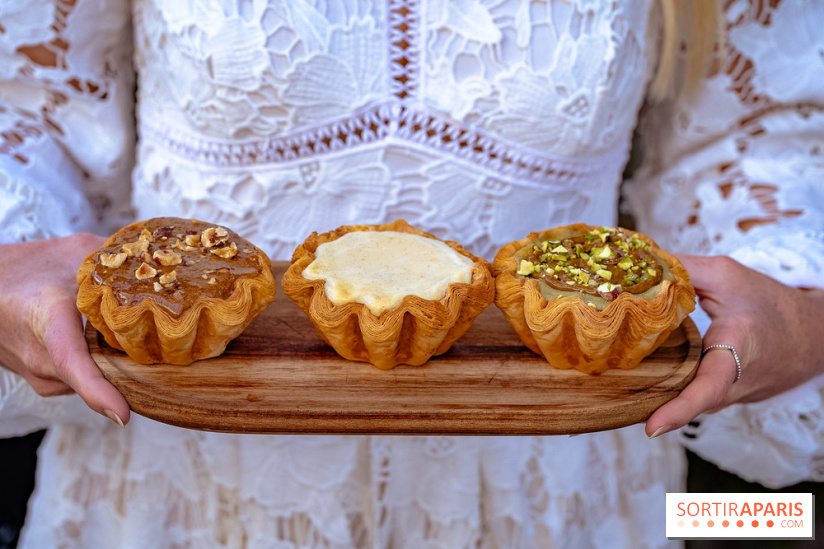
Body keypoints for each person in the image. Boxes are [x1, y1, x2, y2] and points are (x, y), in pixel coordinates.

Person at [1, 0, 823, 547]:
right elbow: (25, 103)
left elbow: (765, 138)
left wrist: (794, 306)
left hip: (560, 473)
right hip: (175, 472)